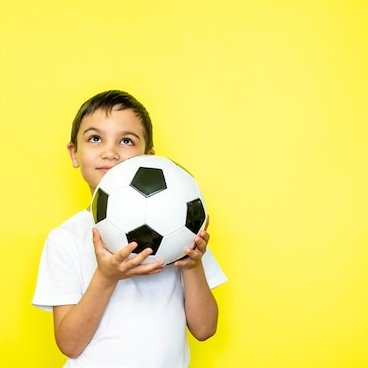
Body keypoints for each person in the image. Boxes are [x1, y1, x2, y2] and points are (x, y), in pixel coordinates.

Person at [32, 90, 227, 367]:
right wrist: (106, 276)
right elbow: (70, 344)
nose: (110, 152)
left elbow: (205, 330)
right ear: (74, 153)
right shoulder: (65, 239)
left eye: (126, 140)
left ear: (150, 158)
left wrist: (193, 267)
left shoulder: (183, 230)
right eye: (95, 138)